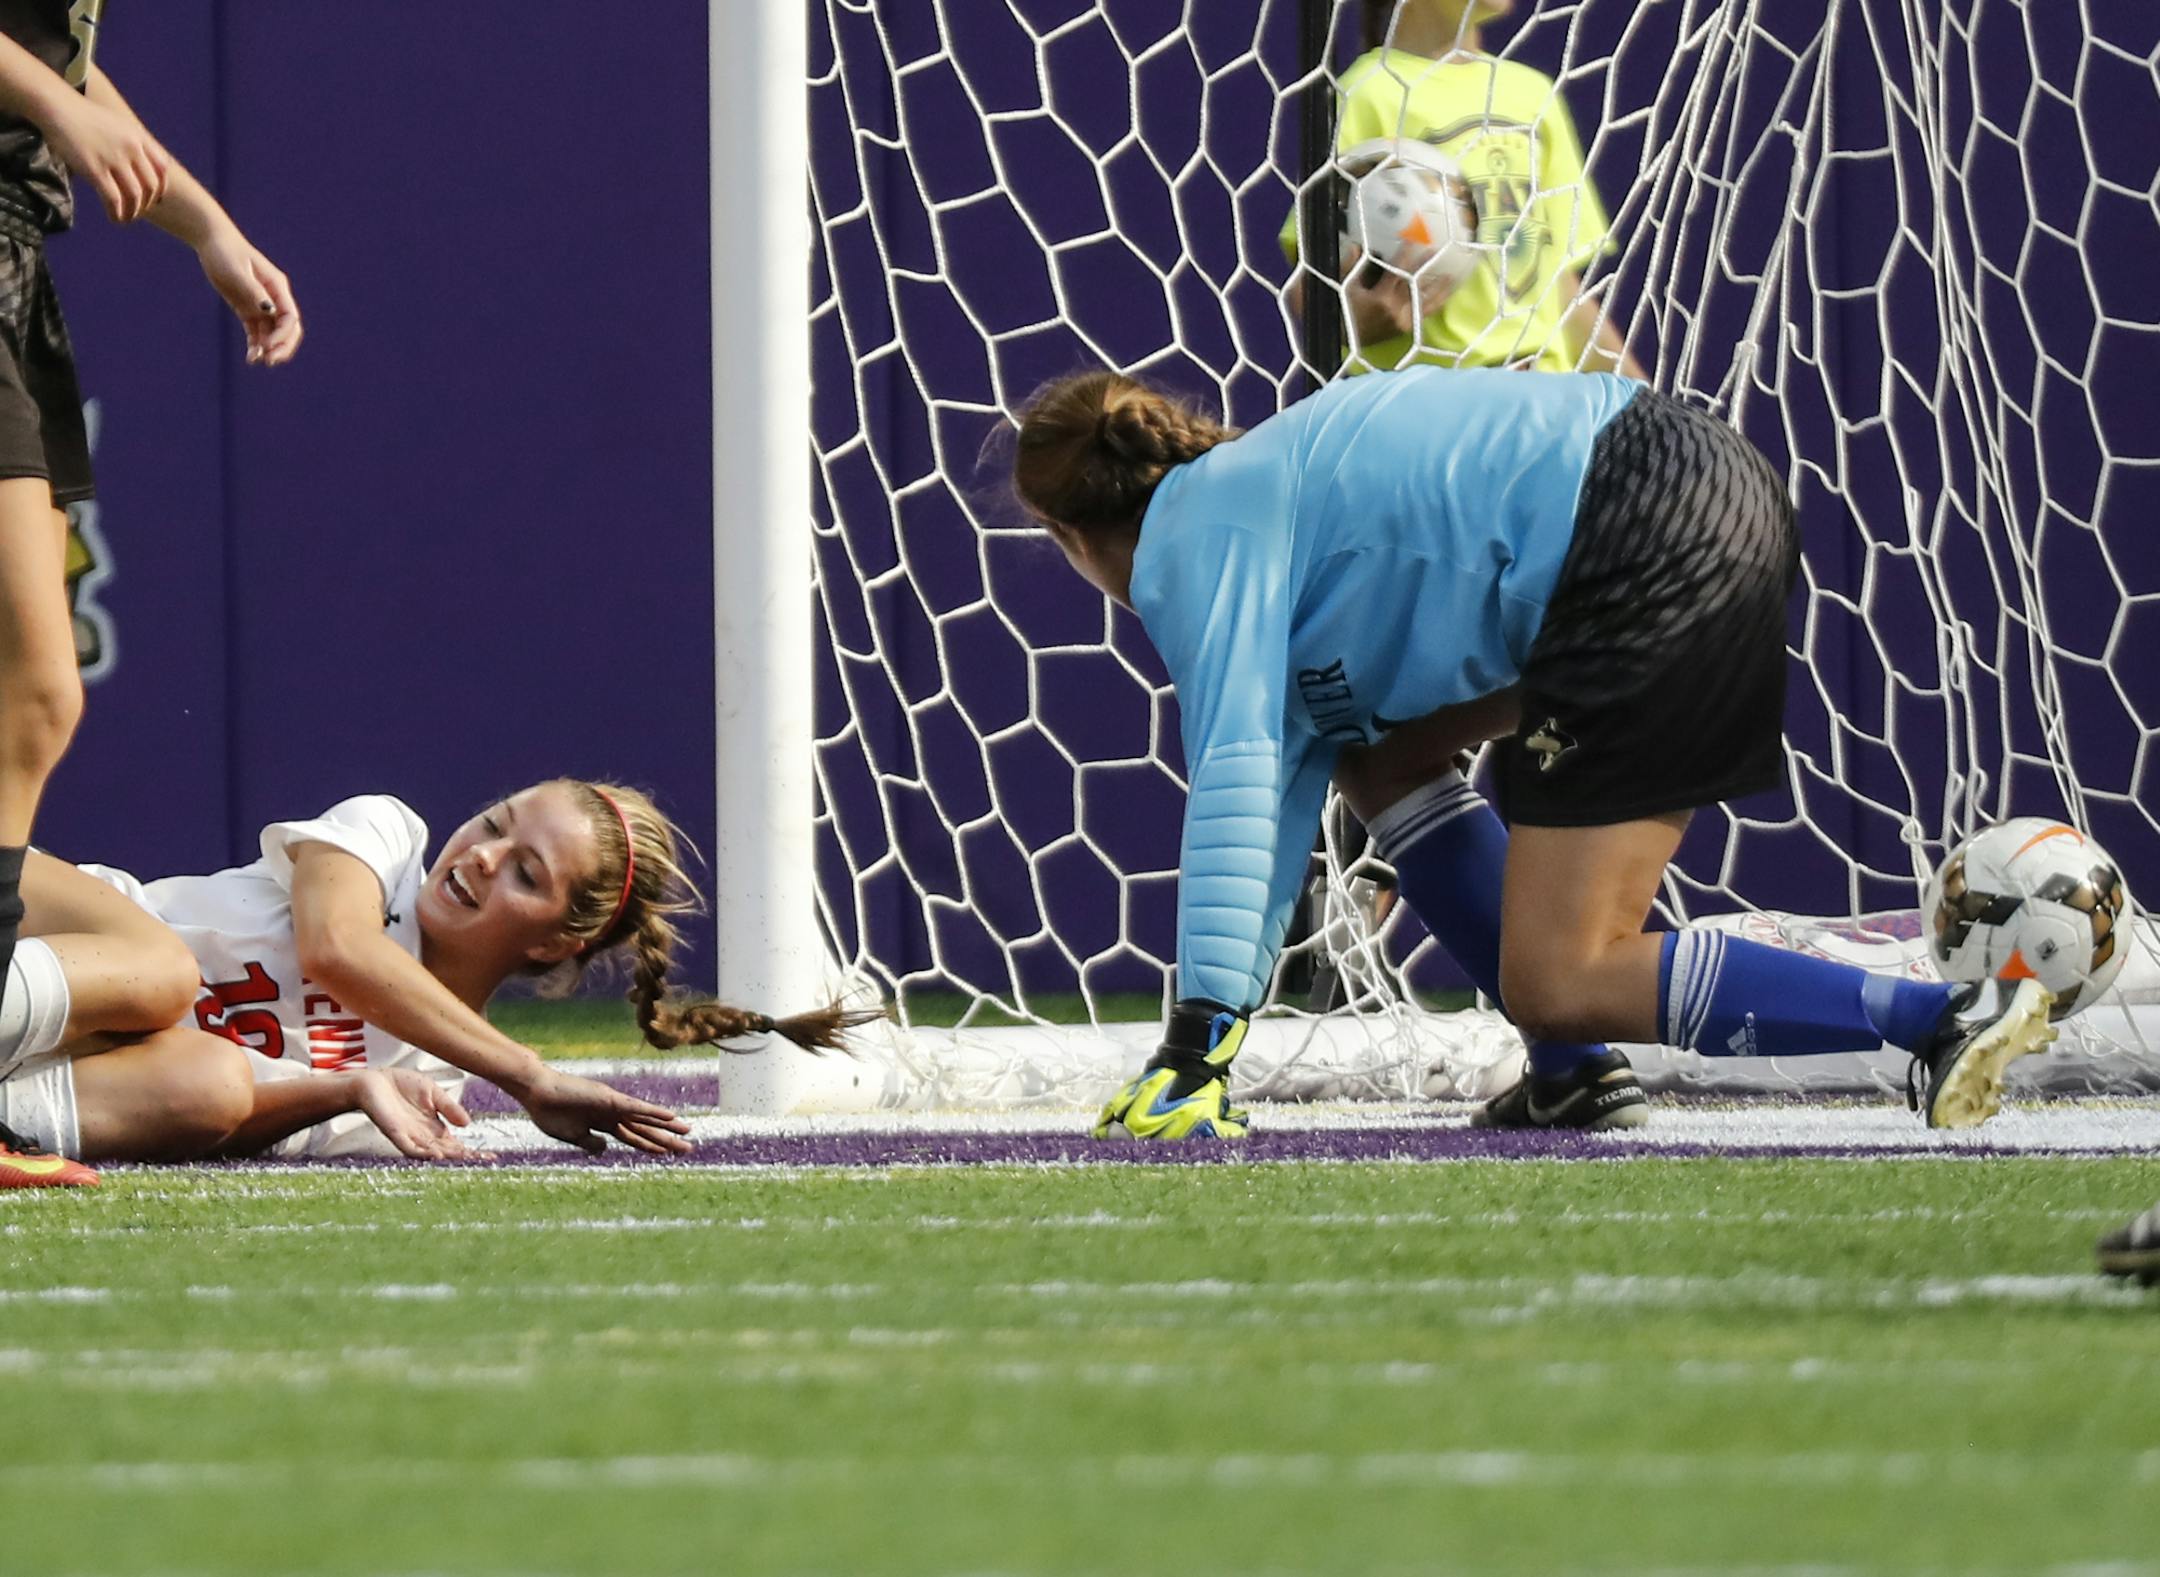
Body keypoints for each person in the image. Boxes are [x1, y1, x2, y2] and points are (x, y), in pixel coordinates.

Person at [1007, 366, 2059, 1138]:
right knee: (1379, 755)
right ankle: (1569, 1074)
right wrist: (1215, 1019)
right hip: (1697, 489)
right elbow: (1288, 773)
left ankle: (1940, 1014)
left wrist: (1196, 1051)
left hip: (1634, 531)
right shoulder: (1262, 485)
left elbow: (1234, 771)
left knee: (1567, 971)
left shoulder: (1196, 533)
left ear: (1068, 534)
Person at [0, 10, 302, 1176]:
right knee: (33, 697)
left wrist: (206, 227)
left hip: (16, 254)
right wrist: (60, 110)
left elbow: (65, 66)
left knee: (31, 701)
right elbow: (58, 87)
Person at [0, 777, 876, 1175]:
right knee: (164, 971)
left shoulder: (423, 1091)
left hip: (52, 1066)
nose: (485, 856)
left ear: (550, 944)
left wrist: (348, 1089)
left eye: (527, 874)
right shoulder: (385, 839)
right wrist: (530, 1075)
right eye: (496, 823)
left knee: (212, 1076)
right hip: (40, 928)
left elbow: (205, 1125)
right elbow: (337, 950)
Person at [1288, 0, 1643, 378]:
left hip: (1544, 398)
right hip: (1432, 405)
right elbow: (1308, 288)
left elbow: (1559, 287)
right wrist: (1351, 321)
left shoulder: (1532, 94)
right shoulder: (1364, 94)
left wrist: (1642, 401)